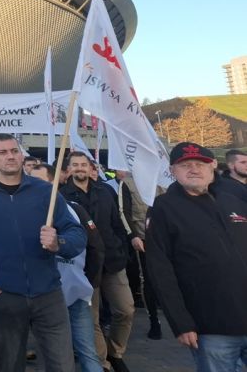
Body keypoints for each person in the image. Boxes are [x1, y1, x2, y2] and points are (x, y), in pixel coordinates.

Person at [0, 133, 85, 372]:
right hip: (5, 295)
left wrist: (60, 243)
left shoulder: (44, 191)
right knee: (9, 364)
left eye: (14, 151)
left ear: (22, 154)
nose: (10, 156)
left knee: (62, 364)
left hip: (48, 294)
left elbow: (76, 232)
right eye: (3, 152)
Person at [146, 142, 247, 372]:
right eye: (185, 165)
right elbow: (160, 269)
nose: (194, 169)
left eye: (200, 163)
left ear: (212, 166)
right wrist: (180, 322)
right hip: (210, 327)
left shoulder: (234, 200)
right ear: (173, 171)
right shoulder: (163, 208)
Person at [62, 151, 135, 372]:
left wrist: (122, 250)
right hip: (83, 265)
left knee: (126, 309)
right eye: (75, 165)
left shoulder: (105, 192)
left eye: (83, 164)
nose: (79, 168)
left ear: (91, 167)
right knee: (90, 319)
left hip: (112, 260)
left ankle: (116, 351)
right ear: (69, 169)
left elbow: (118, 224)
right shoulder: (62, 196)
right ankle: (101, 362)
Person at [30, 163, 104, 372]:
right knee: (52, 354)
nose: (33, 185)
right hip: (44, 296)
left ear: (53, 183)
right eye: (30, 180)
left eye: (39, 181)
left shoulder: (73, 209)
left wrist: (90, 279)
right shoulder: (23, 210)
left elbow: (94, 246)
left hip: (75, 291)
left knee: (87, 351)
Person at [114, 169, 162, 340]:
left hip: (164, 238)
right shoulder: (127, 183)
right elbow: (123, 211)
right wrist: (133, 235)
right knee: (147, 279)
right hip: (142, 238)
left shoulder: (162, 179)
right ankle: (154, 321)